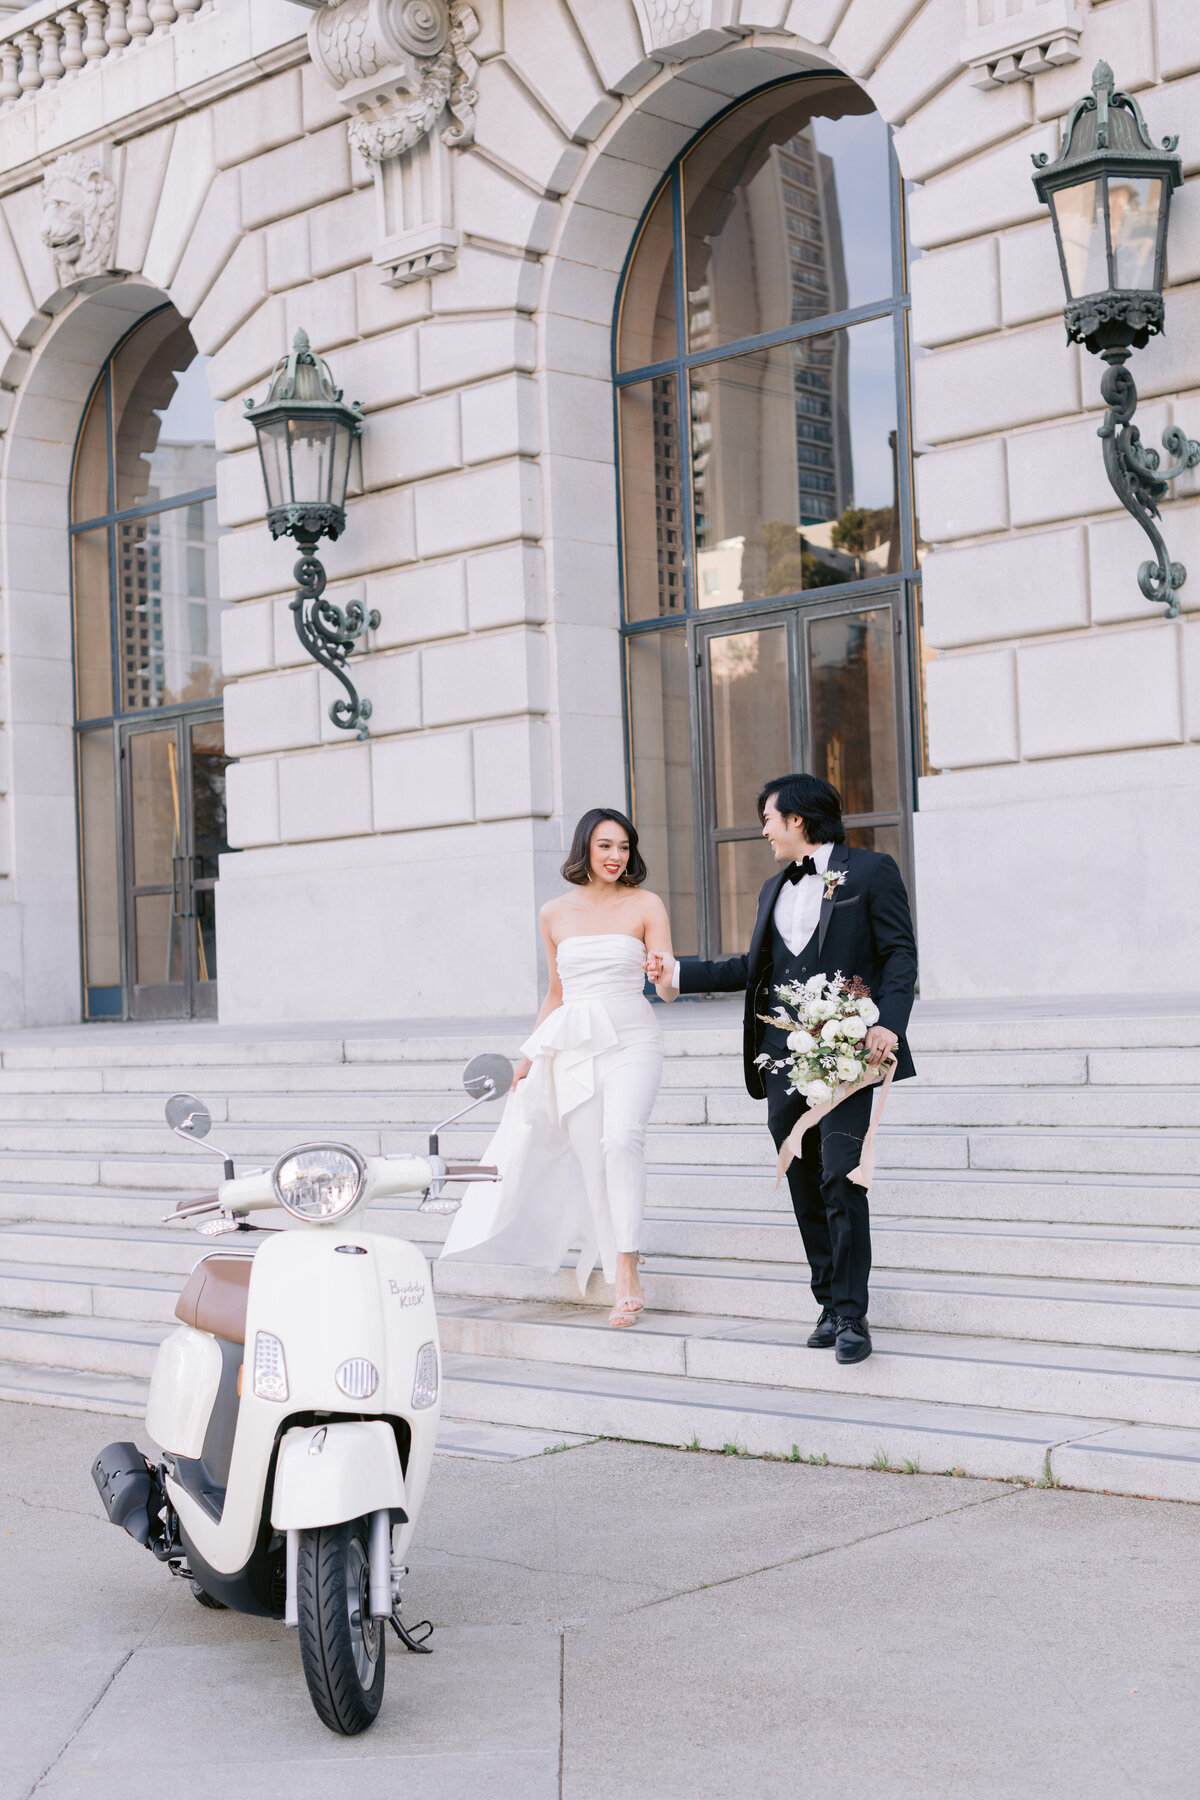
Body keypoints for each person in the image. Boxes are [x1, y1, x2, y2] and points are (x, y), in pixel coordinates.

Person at [646, 774, 917, 1364]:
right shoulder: (773, 887)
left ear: (797, 818)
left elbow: (900, 953)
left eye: (768, 817)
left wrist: (887, 1024)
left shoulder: (870, 872)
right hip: (782, 1057)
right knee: (803, 1182)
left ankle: (852, 1316)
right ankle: (826, 1301)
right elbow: (753, 966)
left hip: (849, 1054)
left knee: (843, 1178)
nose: (763, 829)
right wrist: (679, 974)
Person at [441, 807, 675, 1328]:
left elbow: (667, 988)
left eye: (624, 847)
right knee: (593, 1159)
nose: (617, 856)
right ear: (584, 850)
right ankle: (617, 1270)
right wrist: (526, 1059)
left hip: (633, 1037)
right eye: (606, 846)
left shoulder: (646, 904)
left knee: (621, 1140)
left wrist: (664, 973)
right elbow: (555, 993)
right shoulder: (553, 913)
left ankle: (628, 1268)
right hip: (572, 1047)